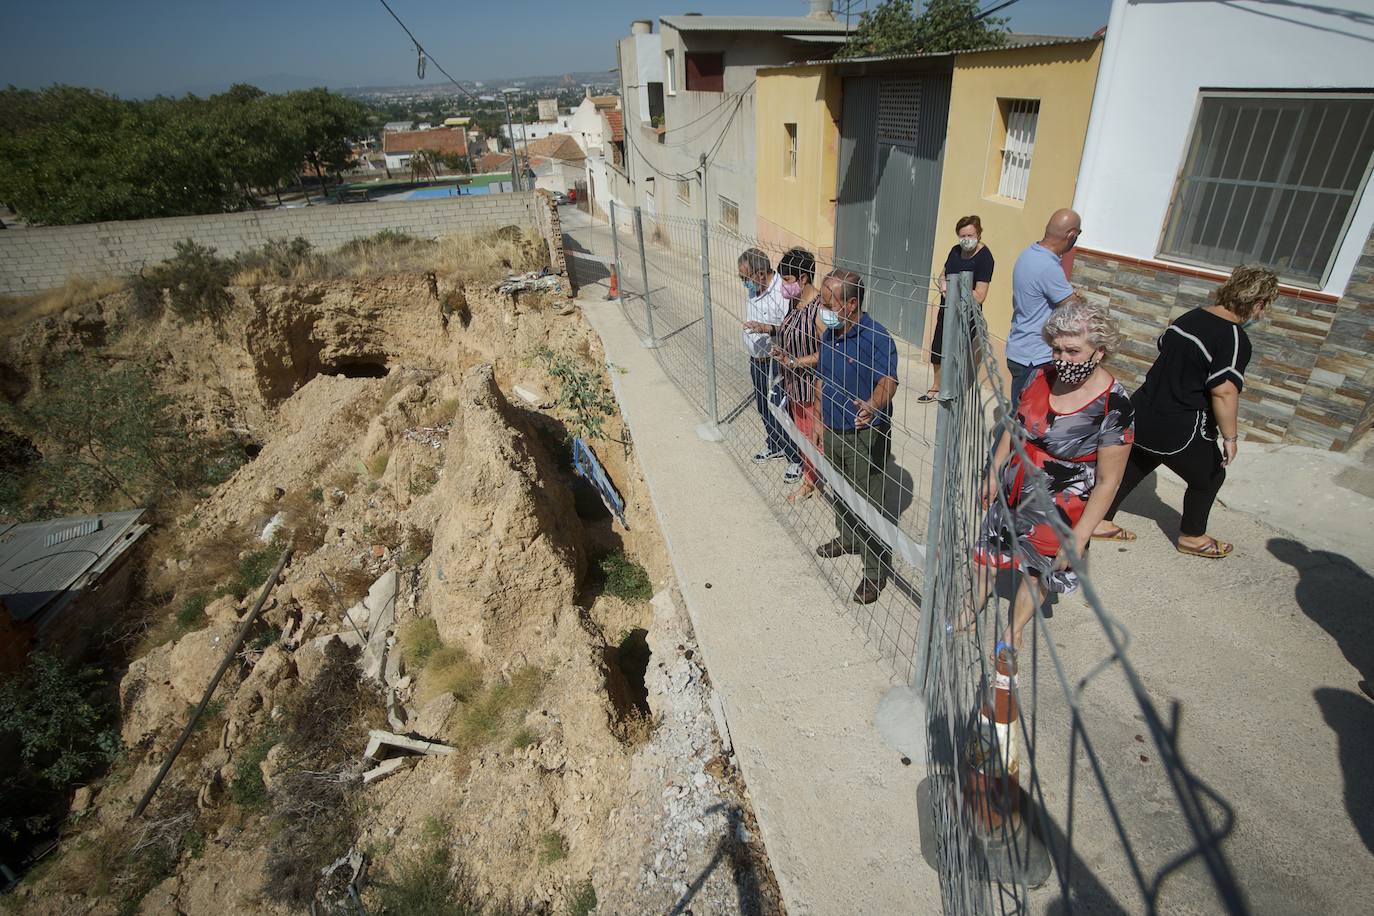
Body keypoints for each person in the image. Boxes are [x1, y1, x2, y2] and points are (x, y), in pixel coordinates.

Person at [973, 300, 1134, 651]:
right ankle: (972, 607)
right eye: (1057, 348)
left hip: (1059, 502)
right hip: (1013, 485)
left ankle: (1012, 632)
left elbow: (1109, 481)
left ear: (1100, 351)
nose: (1063, 358)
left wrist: (1079, 537)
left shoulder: (1115, 405)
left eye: (1073, 350)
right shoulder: (1041, 375)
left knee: (1036, 571)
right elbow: (1015, 426)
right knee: (989, 552)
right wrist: (994, 469)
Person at [1092, 265, 1278, 558]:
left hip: (1143, 410)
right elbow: (1224, 391)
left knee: (1133, 465)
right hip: (1179, 426)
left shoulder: (1191, 317)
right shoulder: (1232, 338)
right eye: (1264, 307)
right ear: (1258, 303)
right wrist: (1230, 438)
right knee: (1210, 476)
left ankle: (1099, 521)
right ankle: (1192, 537)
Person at [812, 269, 899, 605]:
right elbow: (822, 378)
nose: (823, 308)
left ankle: (875, 572)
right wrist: (819, 421)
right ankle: (848, 539)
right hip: (833, 429)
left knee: (868, 501)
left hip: (864, 434)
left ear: (850, 304)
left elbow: (888, 382)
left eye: (828, 302)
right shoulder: (830, 335)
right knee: (840, 489)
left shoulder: (877, 338)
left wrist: (873, 406)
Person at [1006, 209, 1082, 406]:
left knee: (1018, 415)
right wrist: (1076, 298)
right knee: (1023, 421)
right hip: (1035, 357)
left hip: (1020, 347)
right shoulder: (1048, 266)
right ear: (1071, 235)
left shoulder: (1029, 253)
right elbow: (1075, 309)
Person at [921, 215, 995, 403]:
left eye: (970, 235)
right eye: (962, 236)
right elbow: (943, 274)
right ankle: (936, 387)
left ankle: (954, 391)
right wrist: (943, 284)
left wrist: (957, 288)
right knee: (937, 349)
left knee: (959, 353)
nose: (966, 239)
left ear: (978, 234)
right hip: (946, 309)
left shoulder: (985, 258)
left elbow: (980, 295)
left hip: (966, 314)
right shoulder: (955, 251)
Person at [771, 247, 826, 498]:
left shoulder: (821, 310)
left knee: (812, 437)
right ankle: (811, 474)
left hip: (811, 387)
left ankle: (810, 481)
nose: (784, 285)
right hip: (793, 384)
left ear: (803, 278)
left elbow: (829, 353)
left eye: (788, 279)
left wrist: (795, 362)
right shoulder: (795, 303)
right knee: (803, 434)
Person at [739, 247, 792, 467]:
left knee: (781, 410)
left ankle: (795, 457)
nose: (744, 283)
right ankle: (774, 444)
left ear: (760, 274)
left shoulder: (783, 292)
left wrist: (765, 328)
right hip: (757, 361)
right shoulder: (755, 288)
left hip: (776, 364)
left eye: (745, 277)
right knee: (763, 407)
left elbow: (790, 329)